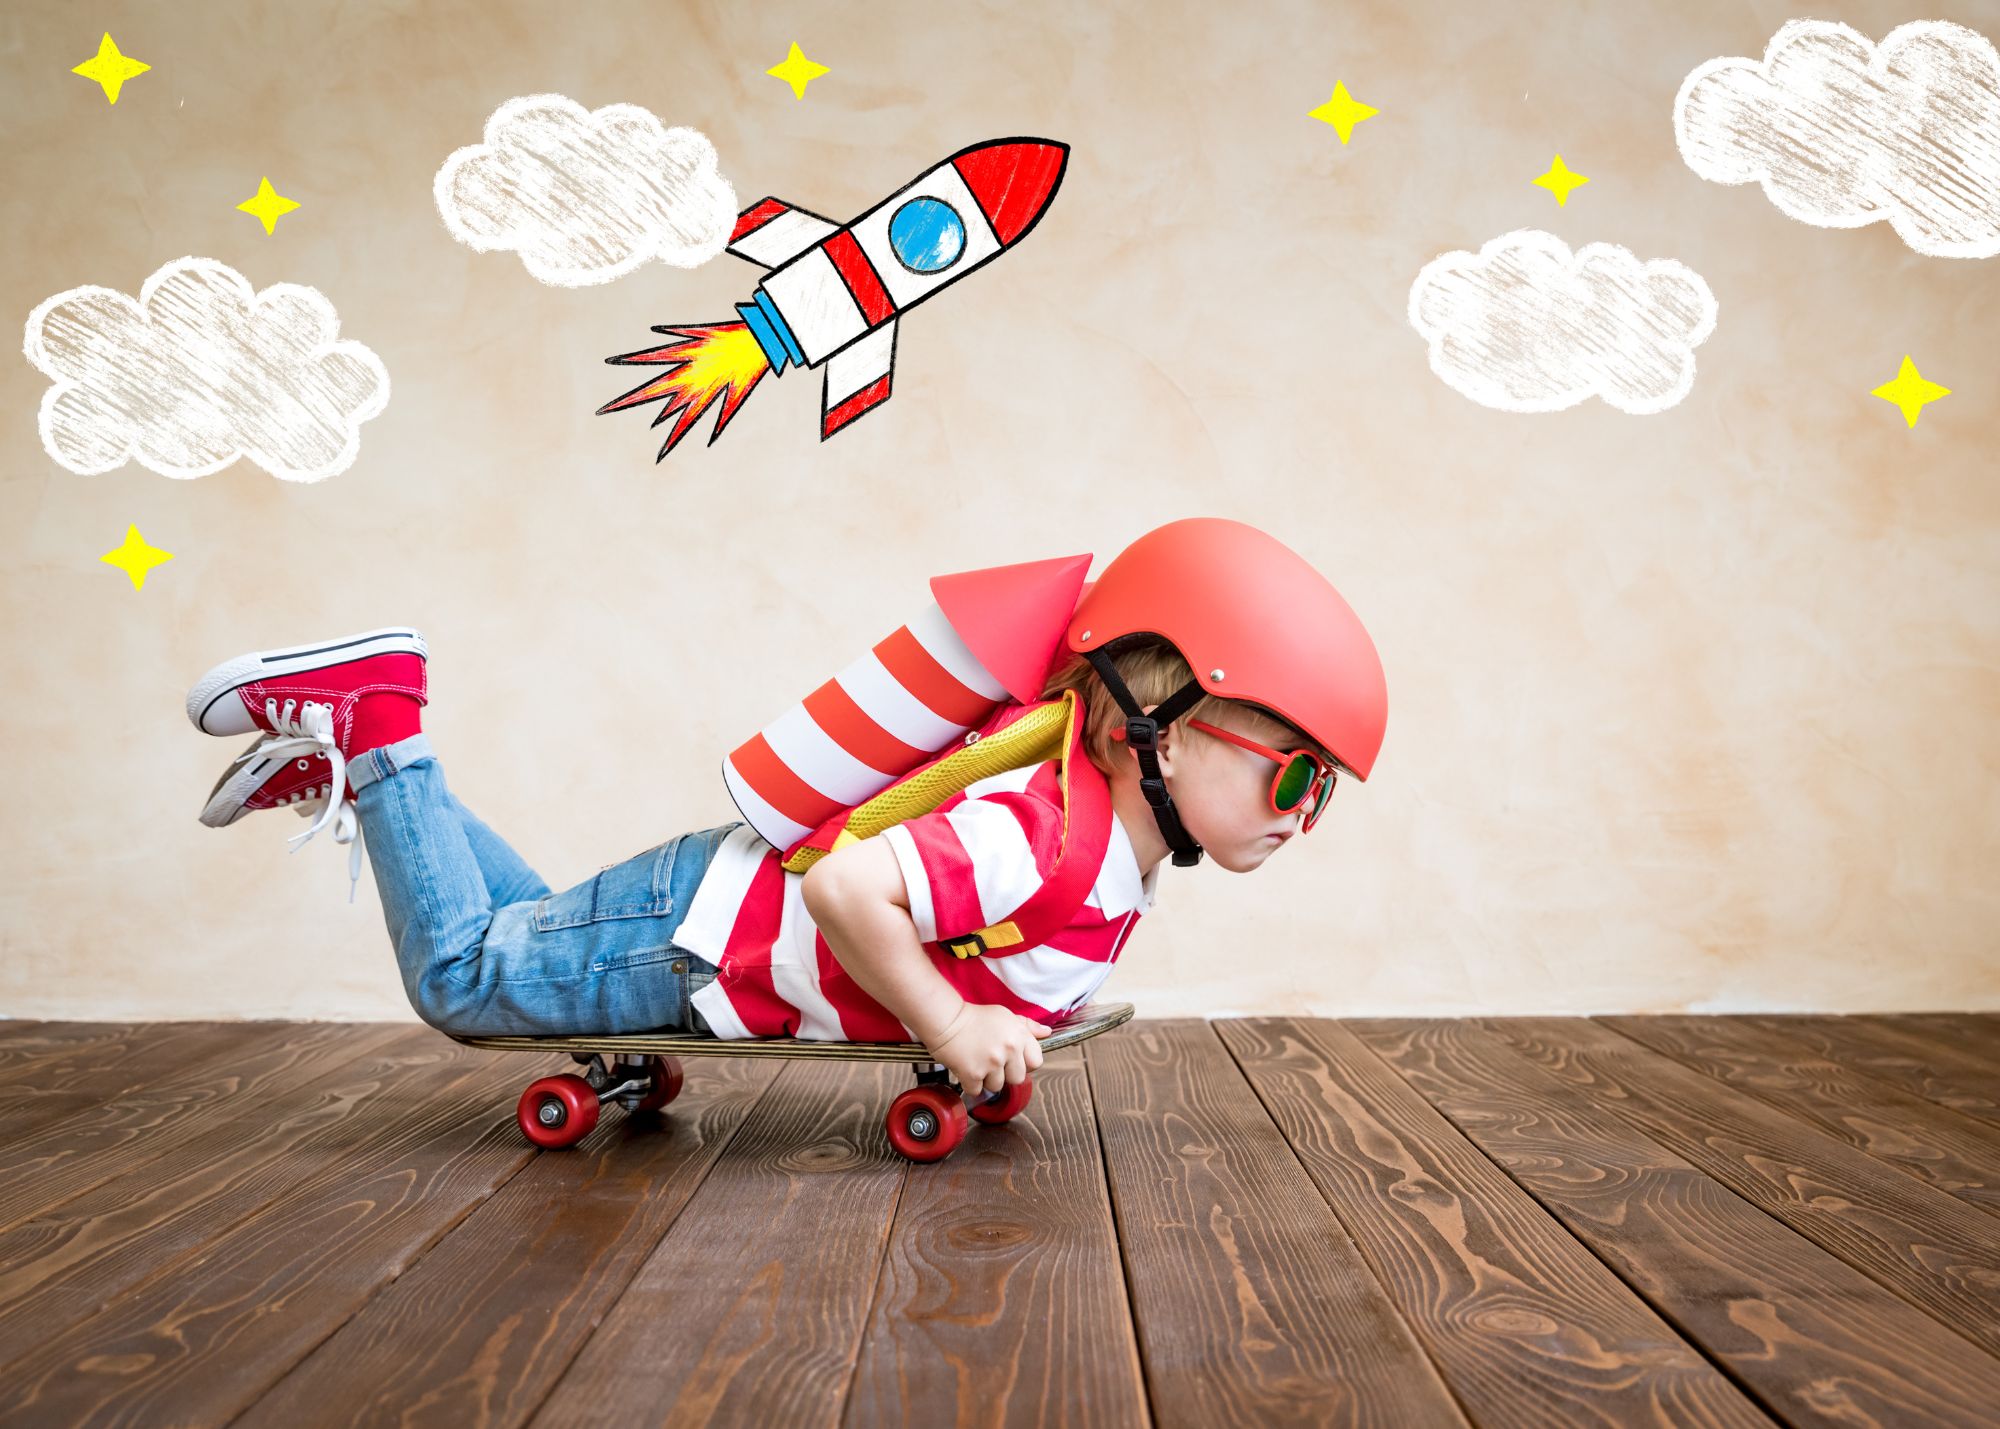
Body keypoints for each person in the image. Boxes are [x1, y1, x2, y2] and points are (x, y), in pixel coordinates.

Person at [184, 519, 1386, 1100]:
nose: (1299, 812)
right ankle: (378, 722)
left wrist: (971, 1017)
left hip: (704, 916)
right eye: (1291, 774)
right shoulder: (1041, 837)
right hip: (702, 940)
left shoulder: (1093, 830)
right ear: (1159, 737)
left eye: (1316, 789)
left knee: (521, 933)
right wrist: (954, 1028)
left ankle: (372, 783)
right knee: (462, 977)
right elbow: (842, 885)